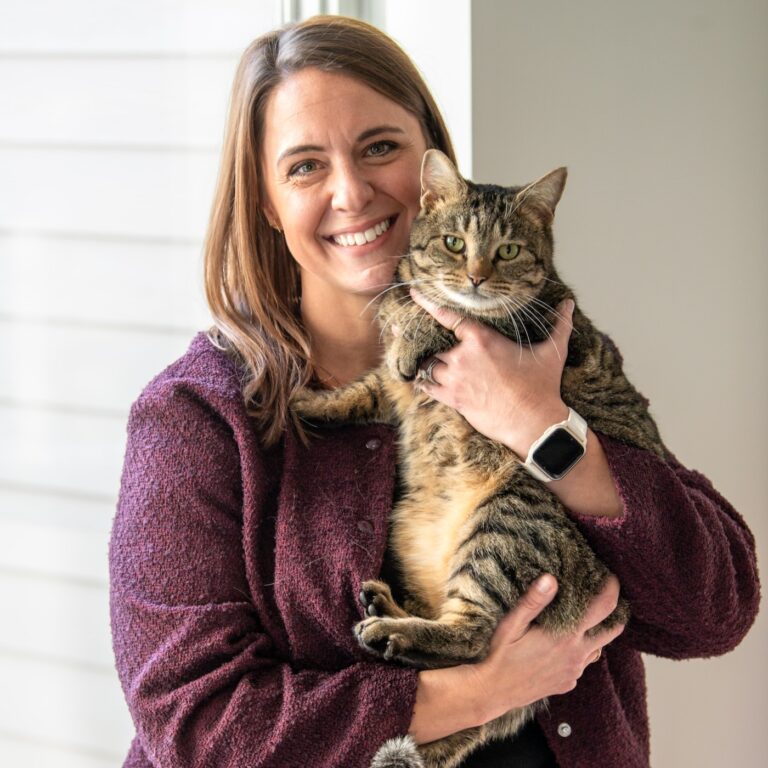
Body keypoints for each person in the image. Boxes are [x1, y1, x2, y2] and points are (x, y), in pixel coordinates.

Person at [109, 15, 760, 768]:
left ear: (431, 165)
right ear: (264, 202)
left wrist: (542, 425)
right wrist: (473, 694)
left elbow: (715, 613)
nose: (351, 192)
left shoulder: (547, 353)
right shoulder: (197, 417)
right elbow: (195, 725)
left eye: (379, 147)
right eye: (304, 166)